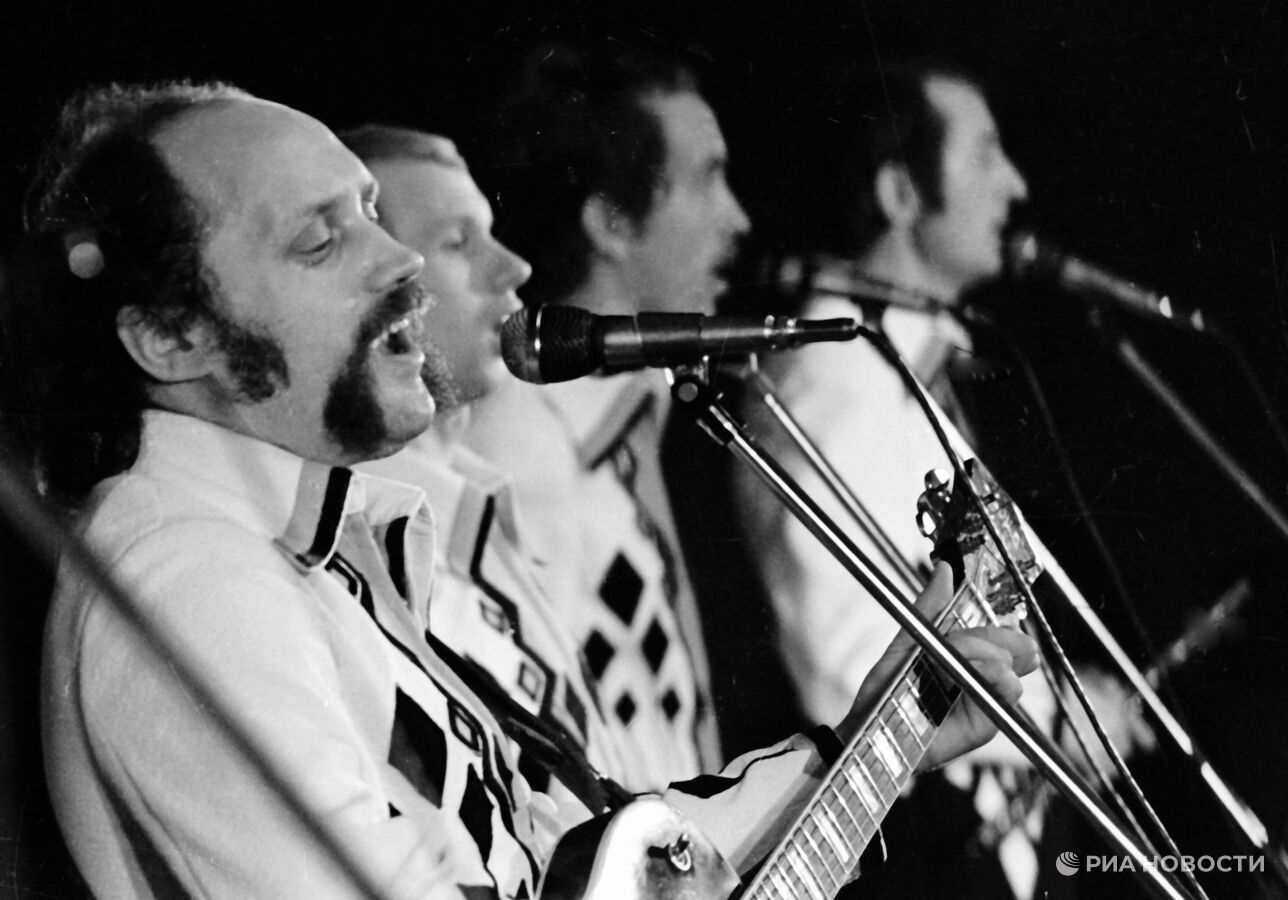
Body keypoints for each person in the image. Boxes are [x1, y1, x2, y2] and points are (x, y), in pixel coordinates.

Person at [10, 82, 1036, 899]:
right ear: (171, 337)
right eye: (320, 241)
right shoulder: (193, 579)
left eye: (371, 215)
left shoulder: (313, 553)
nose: (401, 262)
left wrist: (863, 751)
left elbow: (588, 859)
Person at [732, 59, 1150, 899]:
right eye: (986, 153)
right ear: (899, 192)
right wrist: (1060, 720)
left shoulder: (901, 368)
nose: (1015, 184)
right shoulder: (829, 380)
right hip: (924, 851)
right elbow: (849, 672)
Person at [463, 43, 749, 788]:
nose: (738, 218)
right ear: (612, 222)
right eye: (707, 178)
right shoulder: (518, 442)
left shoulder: (643, 425)